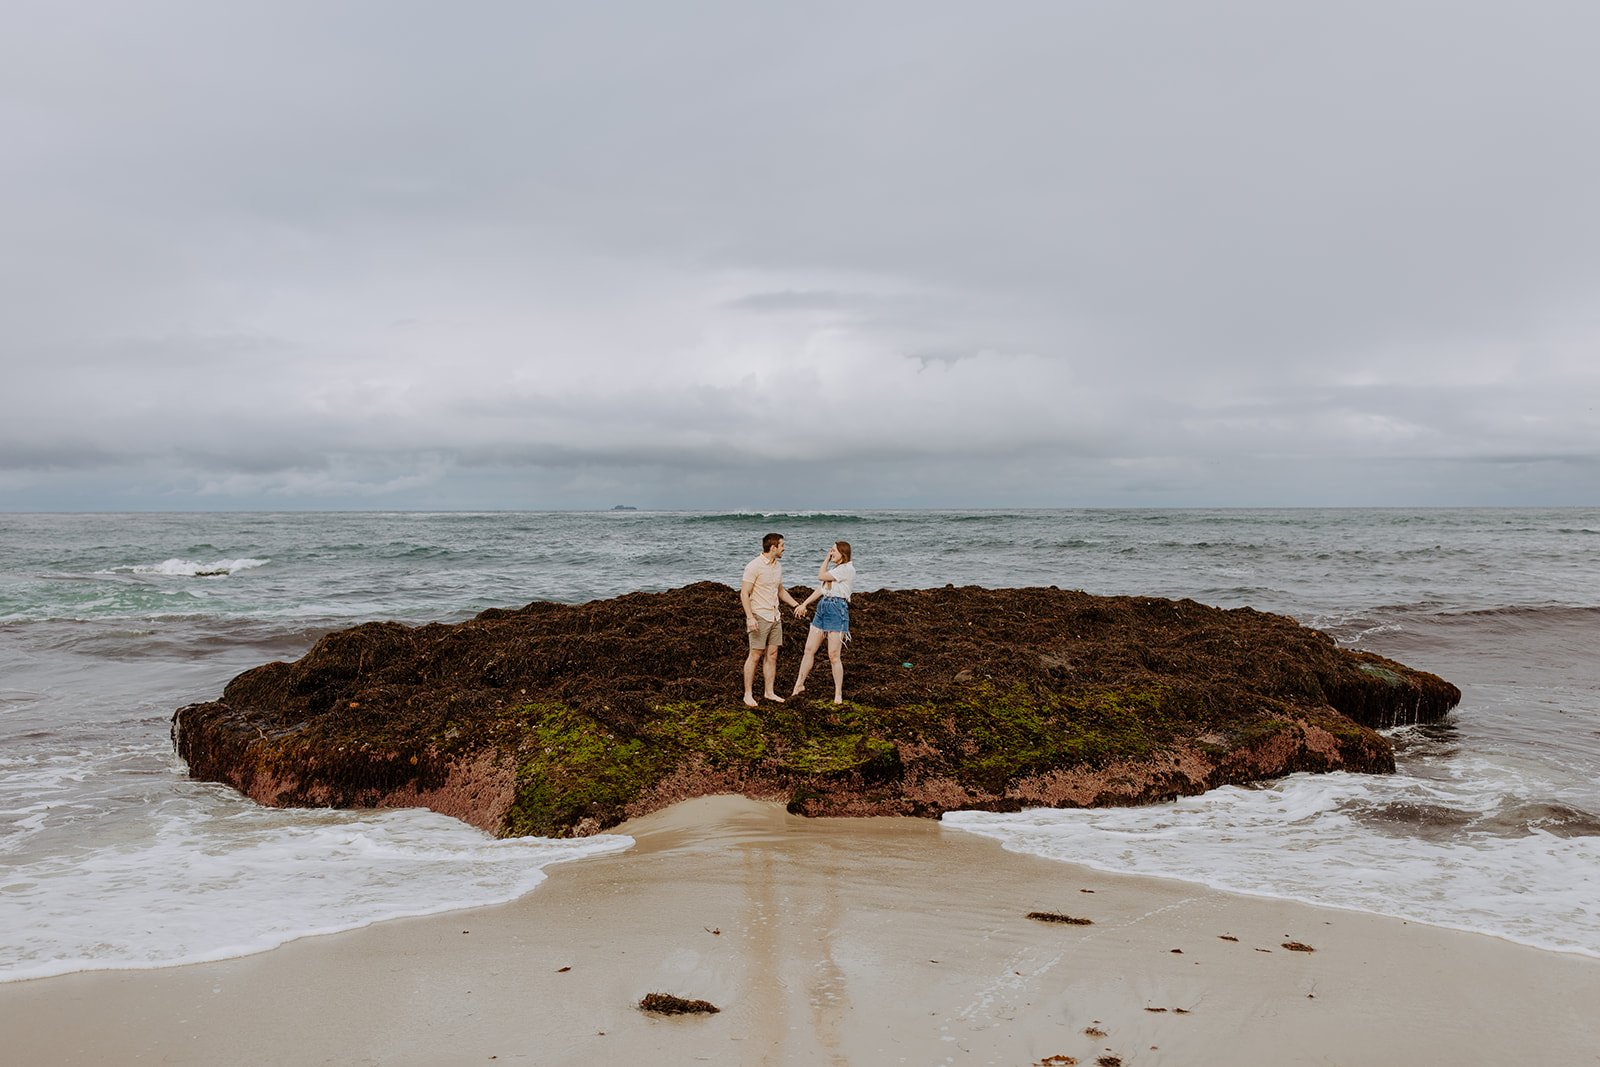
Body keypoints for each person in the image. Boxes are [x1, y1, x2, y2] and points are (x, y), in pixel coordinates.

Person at [741, 532, 802, 708]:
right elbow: (744, 593)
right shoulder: (754, 566)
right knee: (755, 655)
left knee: (772, 655)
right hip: (759, 615)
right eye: (782, 545)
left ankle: (769, 692)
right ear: (773, 547)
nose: (784, 548)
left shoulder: (777, 566)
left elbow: (780, 591)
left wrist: (795, 605)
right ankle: (748, 694)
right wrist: (750, 617)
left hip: (775, 616)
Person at [790, 540, 855, 704]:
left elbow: (820, 575)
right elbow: (821, 589)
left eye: (833, 551)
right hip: (823, 608)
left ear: (843, 553)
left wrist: (826, 559)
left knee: (833, 655)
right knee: (809, 650)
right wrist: (804, 604)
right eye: (831, 551)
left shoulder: (847, 569)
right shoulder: (835, 570)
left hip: (837, 610)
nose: (831, 553)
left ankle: (838, 693)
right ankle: (798, 685)